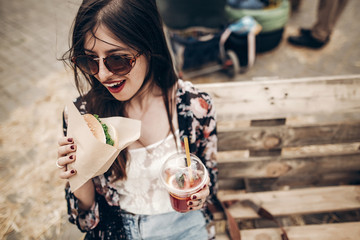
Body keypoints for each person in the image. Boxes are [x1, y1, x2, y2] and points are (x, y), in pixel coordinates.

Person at [57, 0, 218, 239]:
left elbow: (209, 178)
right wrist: (77, 174)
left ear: (149, 46)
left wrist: (201, 193)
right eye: (90, 60)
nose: (102, 74)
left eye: (117, 59)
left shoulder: (195, 107)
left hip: (185, 225)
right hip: (118, 229)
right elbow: (86, 221)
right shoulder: (84, 116)